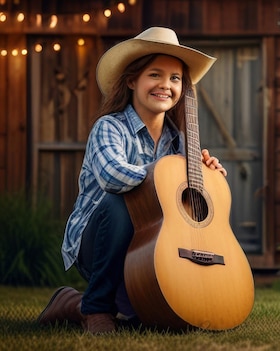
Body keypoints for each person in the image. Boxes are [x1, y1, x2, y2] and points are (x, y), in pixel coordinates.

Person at [37, 27, 226, 334]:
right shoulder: (109, 128)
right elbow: (113, 178)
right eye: (155, 75)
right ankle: (97, 308)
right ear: (132, 80)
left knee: (153, 319)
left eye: (175, 78)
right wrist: (166, 175)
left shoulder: (179, 143)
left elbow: (185, 208)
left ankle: (72, 303)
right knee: (120, 202)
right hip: (99, 242)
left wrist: (206, 178)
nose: (165, 85)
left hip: (151, 250)